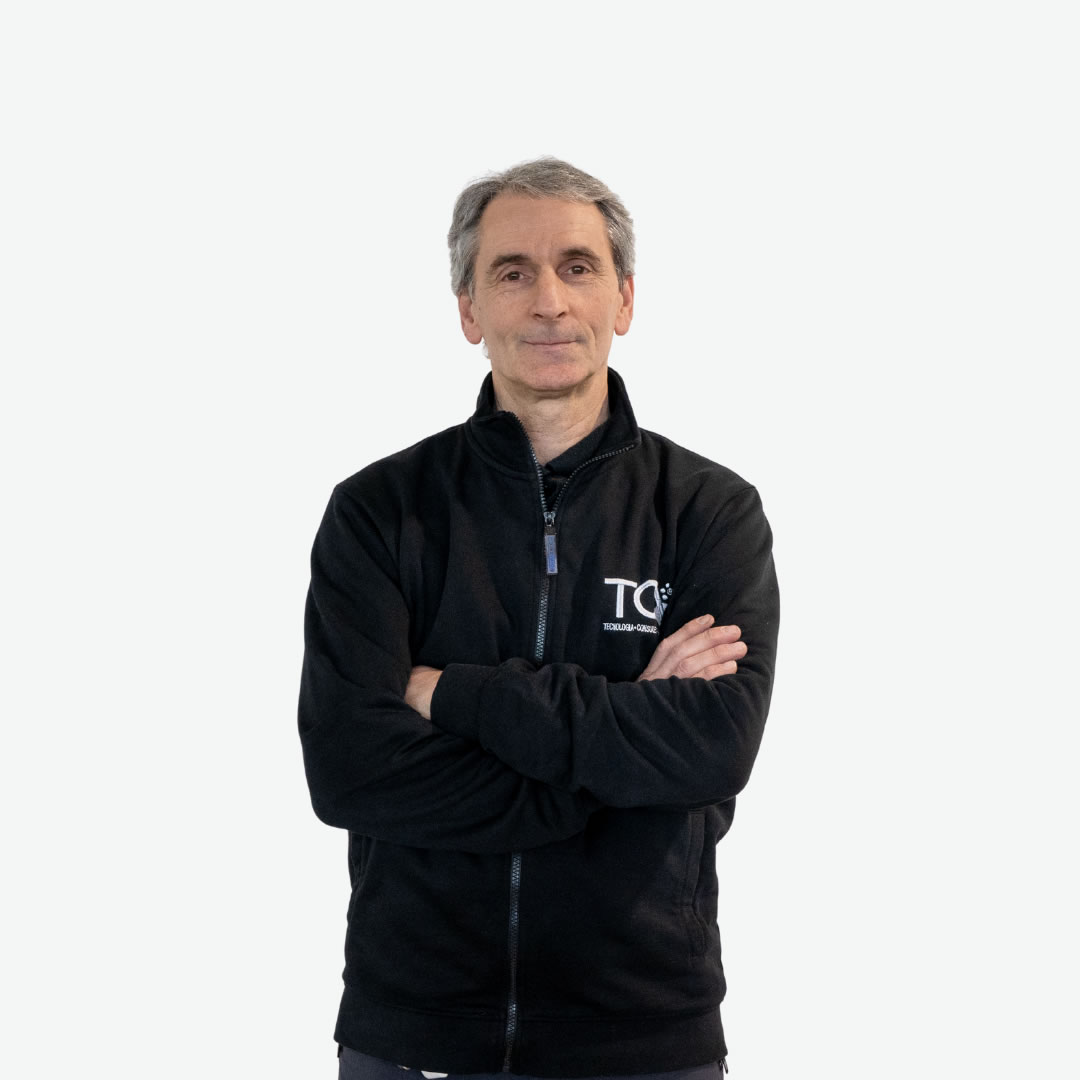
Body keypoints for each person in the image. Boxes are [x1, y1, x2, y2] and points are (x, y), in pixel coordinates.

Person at [298, 157, 780, 1079]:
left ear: (624, 299)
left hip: (644, 1031)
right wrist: (615, 766)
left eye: (578, 266)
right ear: (469, 310)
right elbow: (349, 770)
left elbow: (716, 748)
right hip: (415, 1031)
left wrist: (459, 697)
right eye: (513, 272)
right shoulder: (379, 512)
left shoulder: (710, 512)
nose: (549, 301)